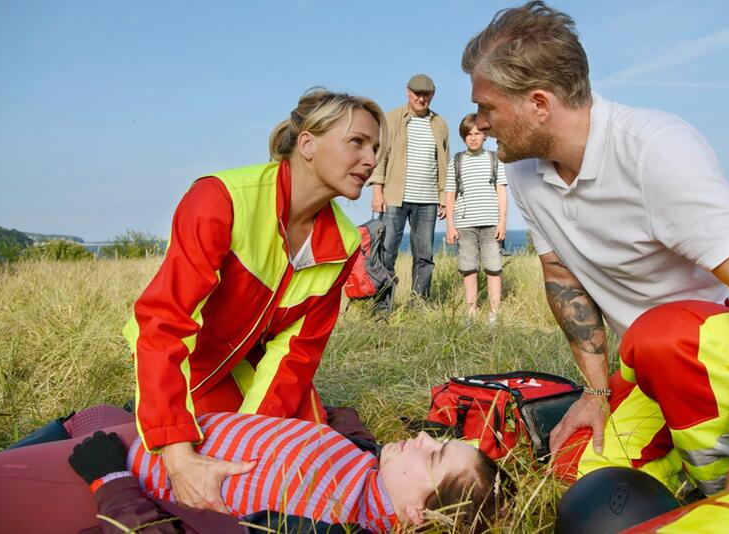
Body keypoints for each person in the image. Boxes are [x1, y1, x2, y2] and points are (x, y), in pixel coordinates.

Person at [462, 1, 729, 496]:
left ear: (539, 104)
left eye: (488, 107)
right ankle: (683, 471)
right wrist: (595, 392)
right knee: (578, 471)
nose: (478, 123)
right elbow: (562, 278)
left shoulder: (656, 149)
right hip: (654, 360)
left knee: (661, 337)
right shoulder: (523, 170)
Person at [123, 88, 388, 512]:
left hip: (246, 367)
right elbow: (163, 321)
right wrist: (176, 454)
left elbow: (296, 353)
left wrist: (251, 438)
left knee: (293, 466)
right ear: (307, 144)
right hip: (184, 362)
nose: (372, 159)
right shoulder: (221, 199)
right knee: (179, 466)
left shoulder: (342, 241)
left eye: (375, 147)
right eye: (357, 142)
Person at [0, 405, 510, 533]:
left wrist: (111, 483)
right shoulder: (369, 472)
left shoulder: (320, 527)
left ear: (417, 513)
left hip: (104, 481)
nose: (419, 438)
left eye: (433, 454)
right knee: (89, 413)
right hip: (149, 433)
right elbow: (344, 445)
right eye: (434, 438)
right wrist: (343, 420)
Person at [368, 74, 451, 314]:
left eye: (426, 94)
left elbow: (443, 163)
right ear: (407, 92)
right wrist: (377, 191)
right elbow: (380, 157)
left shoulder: (441, 124)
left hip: (428, 202)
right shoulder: (392, 118)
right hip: (395, 197)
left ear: (432, 95)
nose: (421, 98)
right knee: (387, 252)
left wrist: (444, 197)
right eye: (417, 93)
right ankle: (382, 306)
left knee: (424, 255)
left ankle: (419, 305)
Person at [444, 113, 508, 324]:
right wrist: (450, 226)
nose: (473, 137)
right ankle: (471, 312)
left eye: (478, 133)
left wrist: (502, 222)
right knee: (468, 269)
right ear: (463, 137)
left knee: (493, 269)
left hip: (491, 224)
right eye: (469, 134)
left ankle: (494, 313)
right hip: (465, 225)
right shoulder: (457, 161)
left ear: (485, 135)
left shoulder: (495, 159)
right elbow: (450, 195)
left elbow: (501, 192)